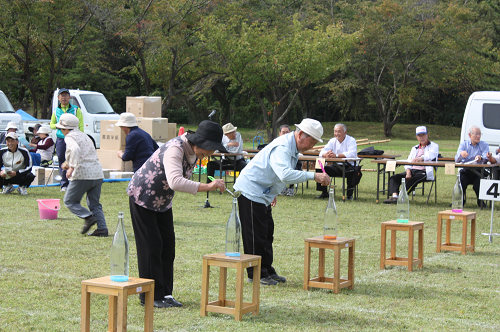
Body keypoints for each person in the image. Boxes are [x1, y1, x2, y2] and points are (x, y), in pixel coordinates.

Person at [127, 120, 227, 308]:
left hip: (162, 201)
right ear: (200, 143)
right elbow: (175, 182)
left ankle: (165, 294)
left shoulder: (194, 152)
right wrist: (207, 186)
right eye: (210, 149)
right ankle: (150, 296)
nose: (210, 154)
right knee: (151, 245)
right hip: (142, 197)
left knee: (168, 245)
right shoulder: (176, 148)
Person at [233, 118, 331, 286]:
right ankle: (256, 274)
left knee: (266, 232)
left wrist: (273, 192)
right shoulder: (284, 147)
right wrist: (314, 175)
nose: (312, 146)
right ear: (300, 134)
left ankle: (267, 269)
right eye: (312, 141)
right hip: (250, 191)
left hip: (263, 192)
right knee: (255, 235)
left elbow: (275, 172)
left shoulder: (291, 146)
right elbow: (285, 174)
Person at [56, 113, 108, 237]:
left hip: (82, 174)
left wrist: (72, 167)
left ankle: (88, 217)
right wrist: (67, 164)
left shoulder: (69, 137)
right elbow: (84, 154)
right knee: (95, 204)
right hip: (97, 173)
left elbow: (75, 150)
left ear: (65, 128)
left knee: (70, 201)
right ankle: (102, 229)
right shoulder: (85, 136)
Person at [383, 126, 439, 204]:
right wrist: (408, 172)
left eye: (423, 135)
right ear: (417, 137)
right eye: (419, 135)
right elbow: (408, 161)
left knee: (413, 179)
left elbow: (431, 155)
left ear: (427, 135)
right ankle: (394, 197)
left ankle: (402, 197)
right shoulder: (414, 148)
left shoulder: (434, 146)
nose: (421, 137)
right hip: (413, 170)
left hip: (424, 171)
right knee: (394, 178)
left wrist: (421, 158)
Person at [50, 88, 84, 192]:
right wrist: (58, 126)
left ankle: (74, 183)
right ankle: (64, 184)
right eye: (62, 95)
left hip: (74, 138)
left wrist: (80, 137)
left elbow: (80, 124)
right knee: (62, 160)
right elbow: (51, 125)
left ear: (69, 97)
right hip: (61, 139)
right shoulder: (56, 111)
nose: (64, 97)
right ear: (58, 98)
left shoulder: (76, 109)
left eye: (66, 95)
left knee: (74, 159)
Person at [315, 123, 358, 199]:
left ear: (345, 132)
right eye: (335, 131)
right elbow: (322, 151)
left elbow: (352, 153)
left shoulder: (351, 140)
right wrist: (326, 154)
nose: (337, 134)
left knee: (352, 172)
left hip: (349, 166)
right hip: (335, 166)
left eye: (339, 131)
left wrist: (336, 155)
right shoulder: (332, 141)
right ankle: (324, 193)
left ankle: (349, 195)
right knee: (320, 168)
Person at [455, 125, 490, 207]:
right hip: (467, 170)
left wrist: (481, 157)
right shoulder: (464, 145)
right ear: (470, 135)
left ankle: (480, 201)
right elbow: (457, 160)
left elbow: (486, 158)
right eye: (476, 134)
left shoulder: (484, 145)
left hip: (479, 171)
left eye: (479, 134)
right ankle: (460, 201)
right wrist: (461, 154)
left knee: (478, 183)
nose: (478, 136)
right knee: (461, 180)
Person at [278, 124, 302, 196]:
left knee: (294, 167)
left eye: (287, 132)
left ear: (291, 133)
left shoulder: (294, 143)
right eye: (283, 132)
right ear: (279, 134)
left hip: (292, 164)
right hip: (280, 164)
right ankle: (281, 187)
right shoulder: (277, 143)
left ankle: (291, 187)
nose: (285, 134)